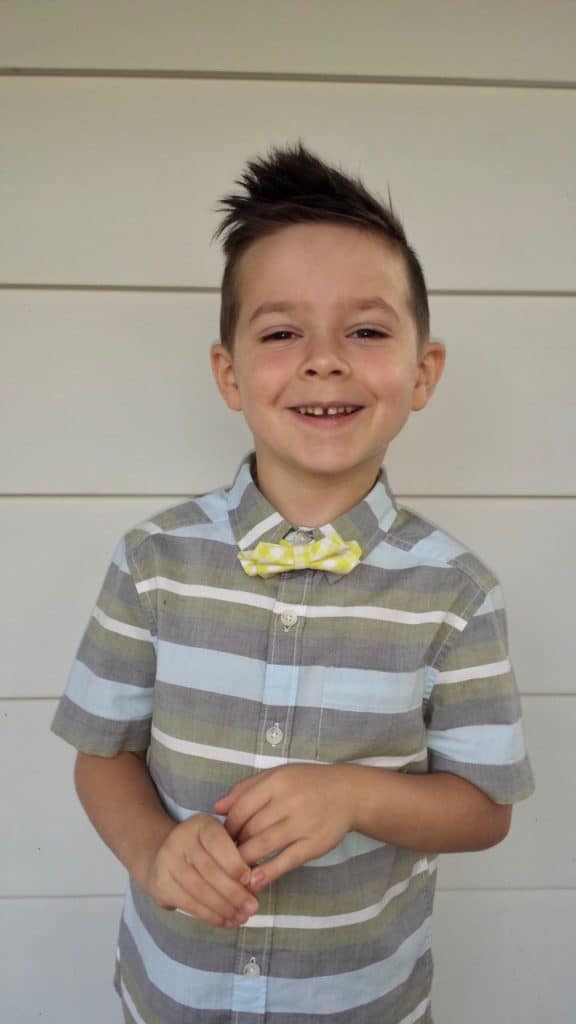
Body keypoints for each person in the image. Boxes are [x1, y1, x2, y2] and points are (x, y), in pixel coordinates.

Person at [51, 140, 534, 1024]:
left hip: (361, 1002)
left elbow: (483, 807)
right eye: (281, 333)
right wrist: (156, 850)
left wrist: (352, 795)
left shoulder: (458, 593)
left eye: (367, 329)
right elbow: (101, 752)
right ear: (229, 373)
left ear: (423, 371)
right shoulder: (152, 560)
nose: (324, 360)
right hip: (173, 997)